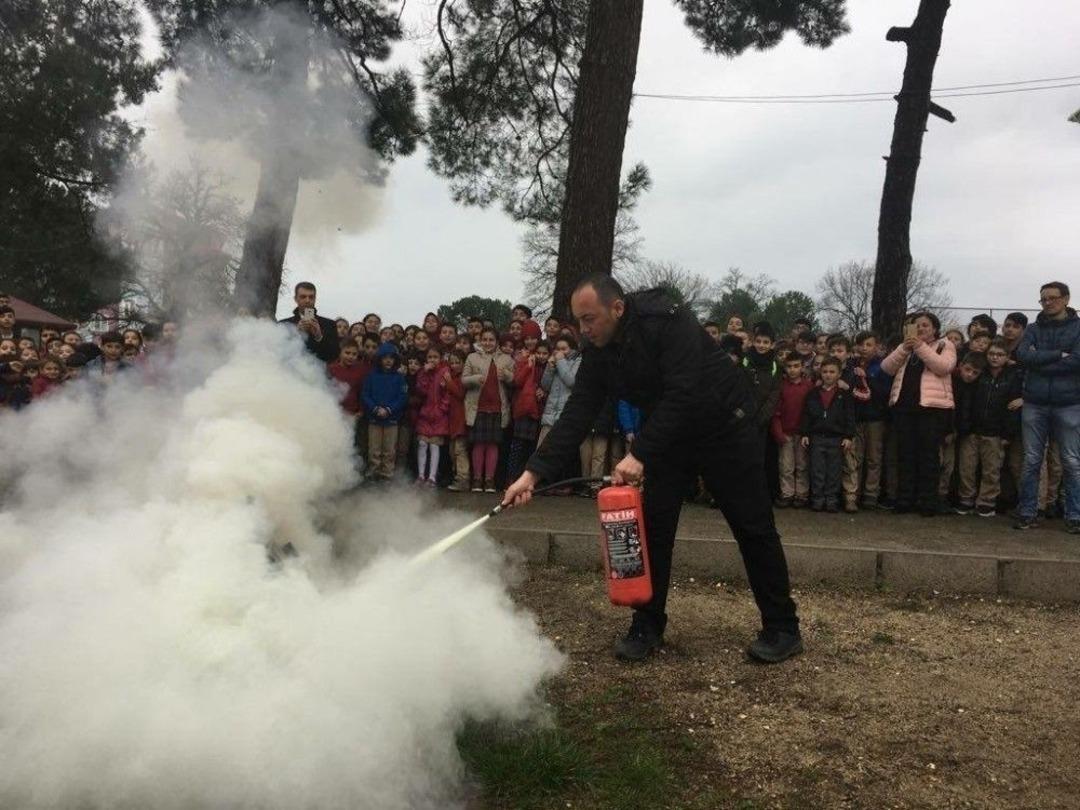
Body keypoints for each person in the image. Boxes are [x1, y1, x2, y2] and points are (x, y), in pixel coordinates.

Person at [504, 275, 801, 664]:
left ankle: (782, 627)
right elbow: (578, 412)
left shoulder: (667, 320)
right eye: (578, 321)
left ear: (618, 308)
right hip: (668, 435)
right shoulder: (598, 349)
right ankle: (647, 622)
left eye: (589, 319)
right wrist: (532, 474)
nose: (583, 330)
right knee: (653, 531)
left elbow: (685, 391)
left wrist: (639, 452)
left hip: (725, 425)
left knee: (753, 526)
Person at [1014, 282, 1080, 532]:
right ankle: (1028, 512)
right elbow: (1023, 356)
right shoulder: (1032, 328)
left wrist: (1040, 358)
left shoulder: (1078, 328)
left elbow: (1077, 361)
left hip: (1070, 403)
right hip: (1035, 402)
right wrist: (1058, 355)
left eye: (1052, 298)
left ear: (1066, 299)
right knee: (1031, 460)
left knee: (1072, 461)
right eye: (1043, 299)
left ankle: (1075, 516)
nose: (1047, 302)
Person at [881, 312, 957, 516]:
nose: (921, 329)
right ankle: (905, 499)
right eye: (917, 326)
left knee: (929, 456)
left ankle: (928, 502)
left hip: (932, 409)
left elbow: (943, 367)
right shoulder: (906, 347)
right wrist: (904, 348)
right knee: (905, 455)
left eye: (925, 325)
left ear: (934, 328)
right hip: (904, 408)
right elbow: (886, 368)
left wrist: (920, 347)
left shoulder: (944, 345)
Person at [954, 341, 1023, 517]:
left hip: (996, 432)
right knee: (967, 467)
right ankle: (966, 499)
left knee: (991, 470)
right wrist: (965, 426)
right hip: (972, 430)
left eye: (1000, 354)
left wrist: (1008, 433)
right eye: (992, 353)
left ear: (1007, 358)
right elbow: (966, 401)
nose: (994, 357)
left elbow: (1013, 407)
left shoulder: (1013, 376)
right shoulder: (979, 373)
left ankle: (986, 501)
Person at [801, 358, 855, 513]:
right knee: (817, 469)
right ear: (820, 373)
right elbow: (806, 415)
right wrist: (805, 433)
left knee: (834, 470)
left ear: (839, 374)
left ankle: (831, 499)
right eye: (825, 372)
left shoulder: (844, 395)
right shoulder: (813, 394)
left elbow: (850, 416)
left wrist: (848, 436)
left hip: (836, 438)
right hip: (817, 437)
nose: (828, 375)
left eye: (832, 372)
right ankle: (817, 498)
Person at [464, 327, 514, 493]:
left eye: (491, 340)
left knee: (493, 445)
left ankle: (490, 480)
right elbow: (463, 380)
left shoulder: (507, 359)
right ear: (480, 341)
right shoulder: (472, 357)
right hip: (477, 407)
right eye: (484, 339)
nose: (487, 343)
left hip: (498, 408)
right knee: (479, 445)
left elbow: (514, 380)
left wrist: (506, 375)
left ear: (497, 342)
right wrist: (474, 379)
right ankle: (477, 479)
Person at [846, 331, 890, 511]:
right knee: (856, 457)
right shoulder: (850, 365)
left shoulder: (882, 367)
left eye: (869, 345)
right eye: (861, 345)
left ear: (876, 347)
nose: (864, 349)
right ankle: (853, 494)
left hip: (875, 417)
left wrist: (867, 378)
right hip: (856, 417)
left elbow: (884, 392)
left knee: (874, 457)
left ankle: (871, 493)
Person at [771, 354, 814, 508]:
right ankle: (787, 493)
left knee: (802, 465)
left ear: (802, 367)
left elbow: (813, 411)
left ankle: (801, 494)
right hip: (785, 432)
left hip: (802, 433)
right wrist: (778, 432)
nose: (793, 370)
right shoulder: (781, 386)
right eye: (789, 367)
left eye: (796, 366)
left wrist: (808, 432)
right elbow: (775, 412)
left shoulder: (809, 386)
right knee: (786, 466)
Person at [361, 343, 408, 481]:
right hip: (374, 418)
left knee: (389, 449)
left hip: (392, 419)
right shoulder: (371, 376)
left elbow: (402, 396)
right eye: (385, 358)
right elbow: (365, 395)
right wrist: (375, 408)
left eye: (391, 358)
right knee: (374, 449)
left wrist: (389, 409)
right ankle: (373, 472)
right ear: (379, 359)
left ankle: (387, 474)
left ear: (395, 360)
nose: (388, 361)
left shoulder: (400, 378)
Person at [415, 347, 450, 487]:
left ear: (440, 358)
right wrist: (424, 373)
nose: (432, 360)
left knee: (435, 445)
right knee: (422, 444)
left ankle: (432, 477)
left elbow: (448, 393)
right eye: (430, 357)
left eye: (435, 357)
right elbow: (421, 390)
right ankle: (421, 475)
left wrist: (442, 408)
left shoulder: (445, 372)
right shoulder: (423, 372)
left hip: (439, 415)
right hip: (426, 413)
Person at [278, 282, 339, 363]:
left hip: (318, 373)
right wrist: (296, 334)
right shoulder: (283, 324)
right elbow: (278, 354)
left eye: (311, 297)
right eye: (303, 297)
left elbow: (334, 356)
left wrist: (319, 337)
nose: (307, 300)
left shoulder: (329, 324)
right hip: (290, 373)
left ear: (315, 299)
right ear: (296, 299)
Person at [328, 339, 366, 455]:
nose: (351, 357)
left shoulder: (360, 371)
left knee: (350, 444)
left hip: (352, 415)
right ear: (340, 352)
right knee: (334, 443)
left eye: (354, 354)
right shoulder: (331, 369)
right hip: (335, 414)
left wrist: (361, 410)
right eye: (347, 353)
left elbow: (362, 392)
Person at [444, 351, 471, 491]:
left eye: (457, 362)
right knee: (452, 451)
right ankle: (457, 477)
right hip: (452, 419)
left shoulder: (462, 378)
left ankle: (463, 479)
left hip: (461, 419)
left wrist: (448, 382)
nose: (454, 365)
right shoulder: (451, 377)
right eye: (452, 362)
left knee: (460, 450)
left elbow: (460, 394)